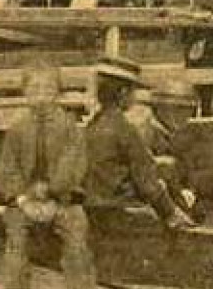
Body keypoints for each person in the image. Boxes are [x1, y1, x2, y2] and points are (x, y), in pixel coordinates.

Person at [0, 65, 103, 289]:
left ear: (58, 94)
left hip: (62, 199)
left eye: (47, 90)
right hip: (26, 199)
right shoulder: (18, 129)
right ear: (25, 93)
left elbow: (72, 167)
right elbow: (8, 168)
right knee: (16, 232)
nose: (40, 96)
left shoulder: (70, 128)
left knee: (77, 238)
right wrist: (21, 197)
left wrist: (52, 193)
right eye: (34, 89)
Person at [82, 56, 195, 230]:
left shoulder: (92, 126)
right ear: (123, 94)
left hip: (92, 212)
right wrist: (172, 214)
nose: (135, 97)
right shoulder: (124, 130)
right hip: (121, 214)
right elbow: (148, 184)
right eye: (133, 91)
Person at [131, 77, 202, 213]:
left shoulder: (175, 133)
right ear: (161, 108)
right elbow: (142, 176)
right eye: (179, 109)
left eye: (189, 110)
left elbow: (188, 169)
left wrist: (186, 190)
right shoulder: (144, 132)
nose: (185, 115)